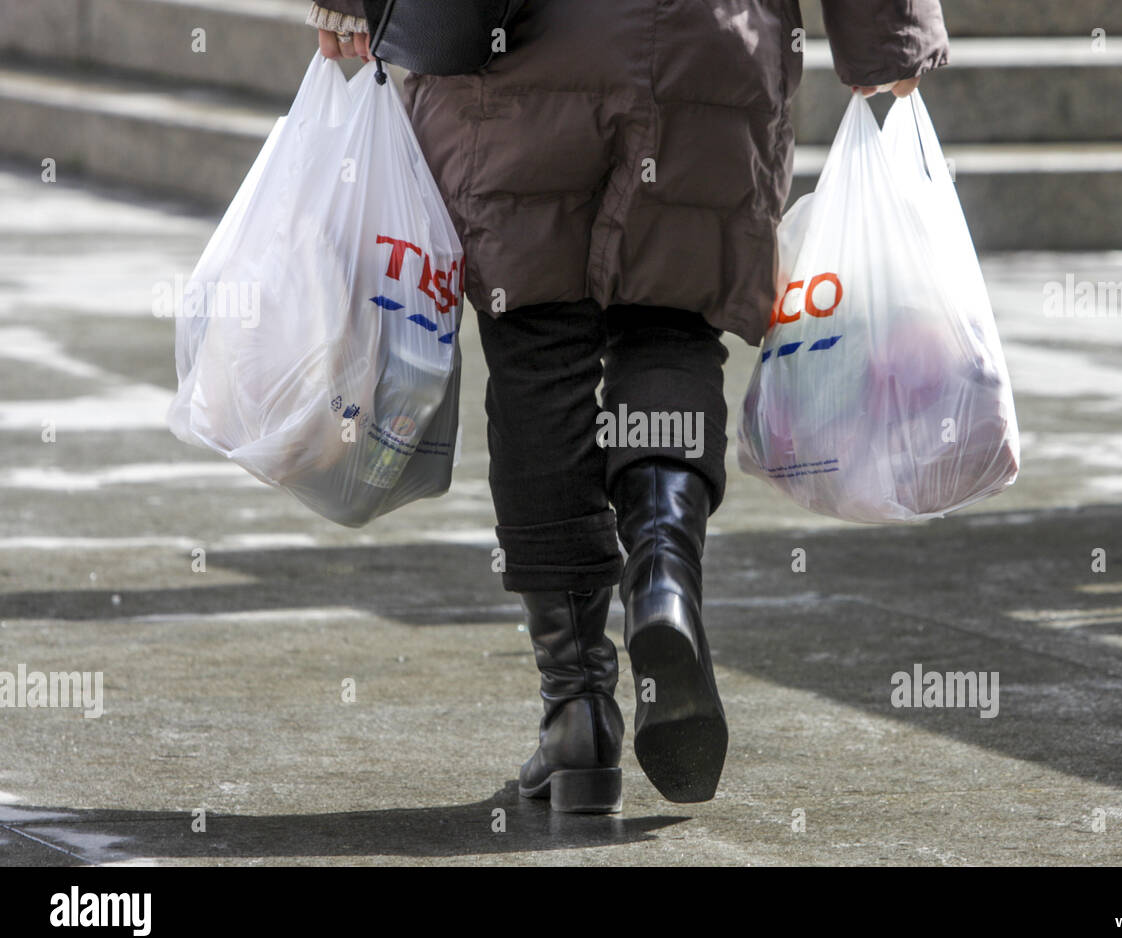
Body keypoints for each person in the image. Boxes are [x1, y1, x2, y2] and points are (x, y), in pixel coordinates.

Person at [305, 0, 949, 812]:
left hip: (523, 50)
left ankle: (578, 715)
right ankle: (664, 581)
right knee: (671, 326)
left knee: (537, 346)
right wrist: (887, 34)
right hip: (710, 48)